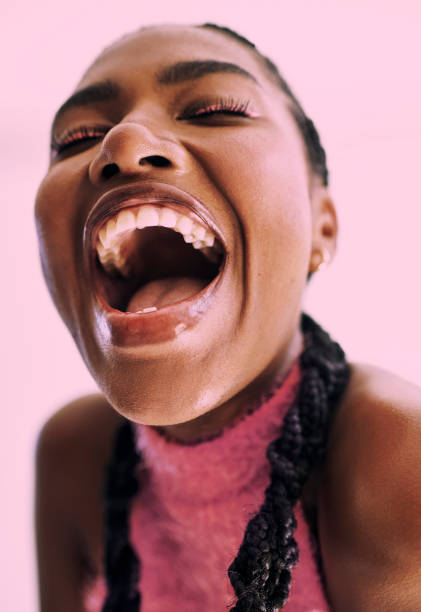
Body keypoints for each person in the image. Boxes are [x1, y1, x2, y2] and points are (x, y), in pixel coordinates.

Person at [34, 22, 421, 612]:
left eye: (213, 110)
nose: (123, 142)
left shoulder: (395, 462)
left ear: (323, 226)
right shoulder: (73, 456)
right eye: (79, 137)